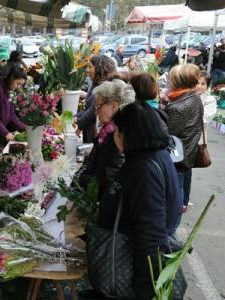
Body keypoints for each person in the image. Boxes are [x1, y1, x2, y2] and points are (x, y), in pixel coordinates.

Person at [103, 102, 181, 299]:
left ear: (127, 134)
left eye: (117, 130)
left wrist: (145, 292)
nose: (114, 136)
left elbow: (151, 237)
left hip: (130, 269)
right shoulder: (153, 156)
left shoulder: (145, 169)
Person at [75, 79, 135, 212]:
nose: (96, 112)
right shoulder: (107, 131)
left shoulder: (119, 136)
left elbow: (108, 179)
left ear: (114, 106)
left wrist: (81, 183)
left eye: (98, 106)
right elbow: (92, 163)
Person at [165, 64, 203, 218]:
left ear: (178, 82)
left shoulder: (178, 106)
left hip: (177, 157)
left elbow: (168, 134)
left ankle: (170, 230)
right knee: (179, 190)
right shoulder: (193, 98)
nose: (168, 81)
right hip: (186, 153)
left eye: (171, 78)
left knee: (175, 193)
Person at [75, 55, 117, 143]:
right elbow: (89, 106)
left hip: (96, 133)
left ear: (99, 68)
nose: (87, 70)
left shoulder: (103, 87)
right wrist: (77, 117)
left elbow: (92, 110)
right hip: (89, 131)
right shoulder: (95, 83)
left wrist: (79, 123)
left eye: (90, 67)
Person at [195, 71, 217, 140]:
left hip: (197, 138)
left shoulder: (210, 100)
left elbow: (205, 118)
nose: (199, 86)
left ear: (207, 86)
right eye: (197, 83)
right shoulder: (187, 95)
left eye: (203, 84)